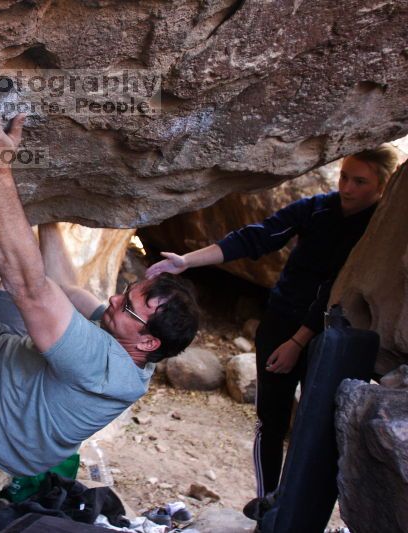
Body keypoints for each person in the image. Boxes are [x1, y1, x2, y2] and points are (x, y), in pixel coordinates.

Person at [0, 100, 200, 477]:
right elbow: (64, 286)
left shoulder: (103, 366)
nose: (112, 299)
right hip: (14, 365)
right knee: (30, 280)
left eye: (126, 306)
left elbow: (29, 286)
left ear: (148, 342)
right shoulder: (134, 348)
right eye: (126, 290)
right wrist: (48, 209)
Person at [145, 144, 400, 503]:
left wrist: (297, 343)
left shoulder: (375, 231)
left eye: (360, 182)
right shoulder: (319, 208)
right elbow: (257, 237)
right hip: (280, 322)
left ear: (382, 188)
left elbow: (336, 290)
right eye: (344, 176)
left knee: (314, 428)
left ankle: (296, 508)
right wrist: (185, 262)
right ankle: (267, 502)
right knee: (271, 420)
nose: (346, 187)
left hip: (328, 336)